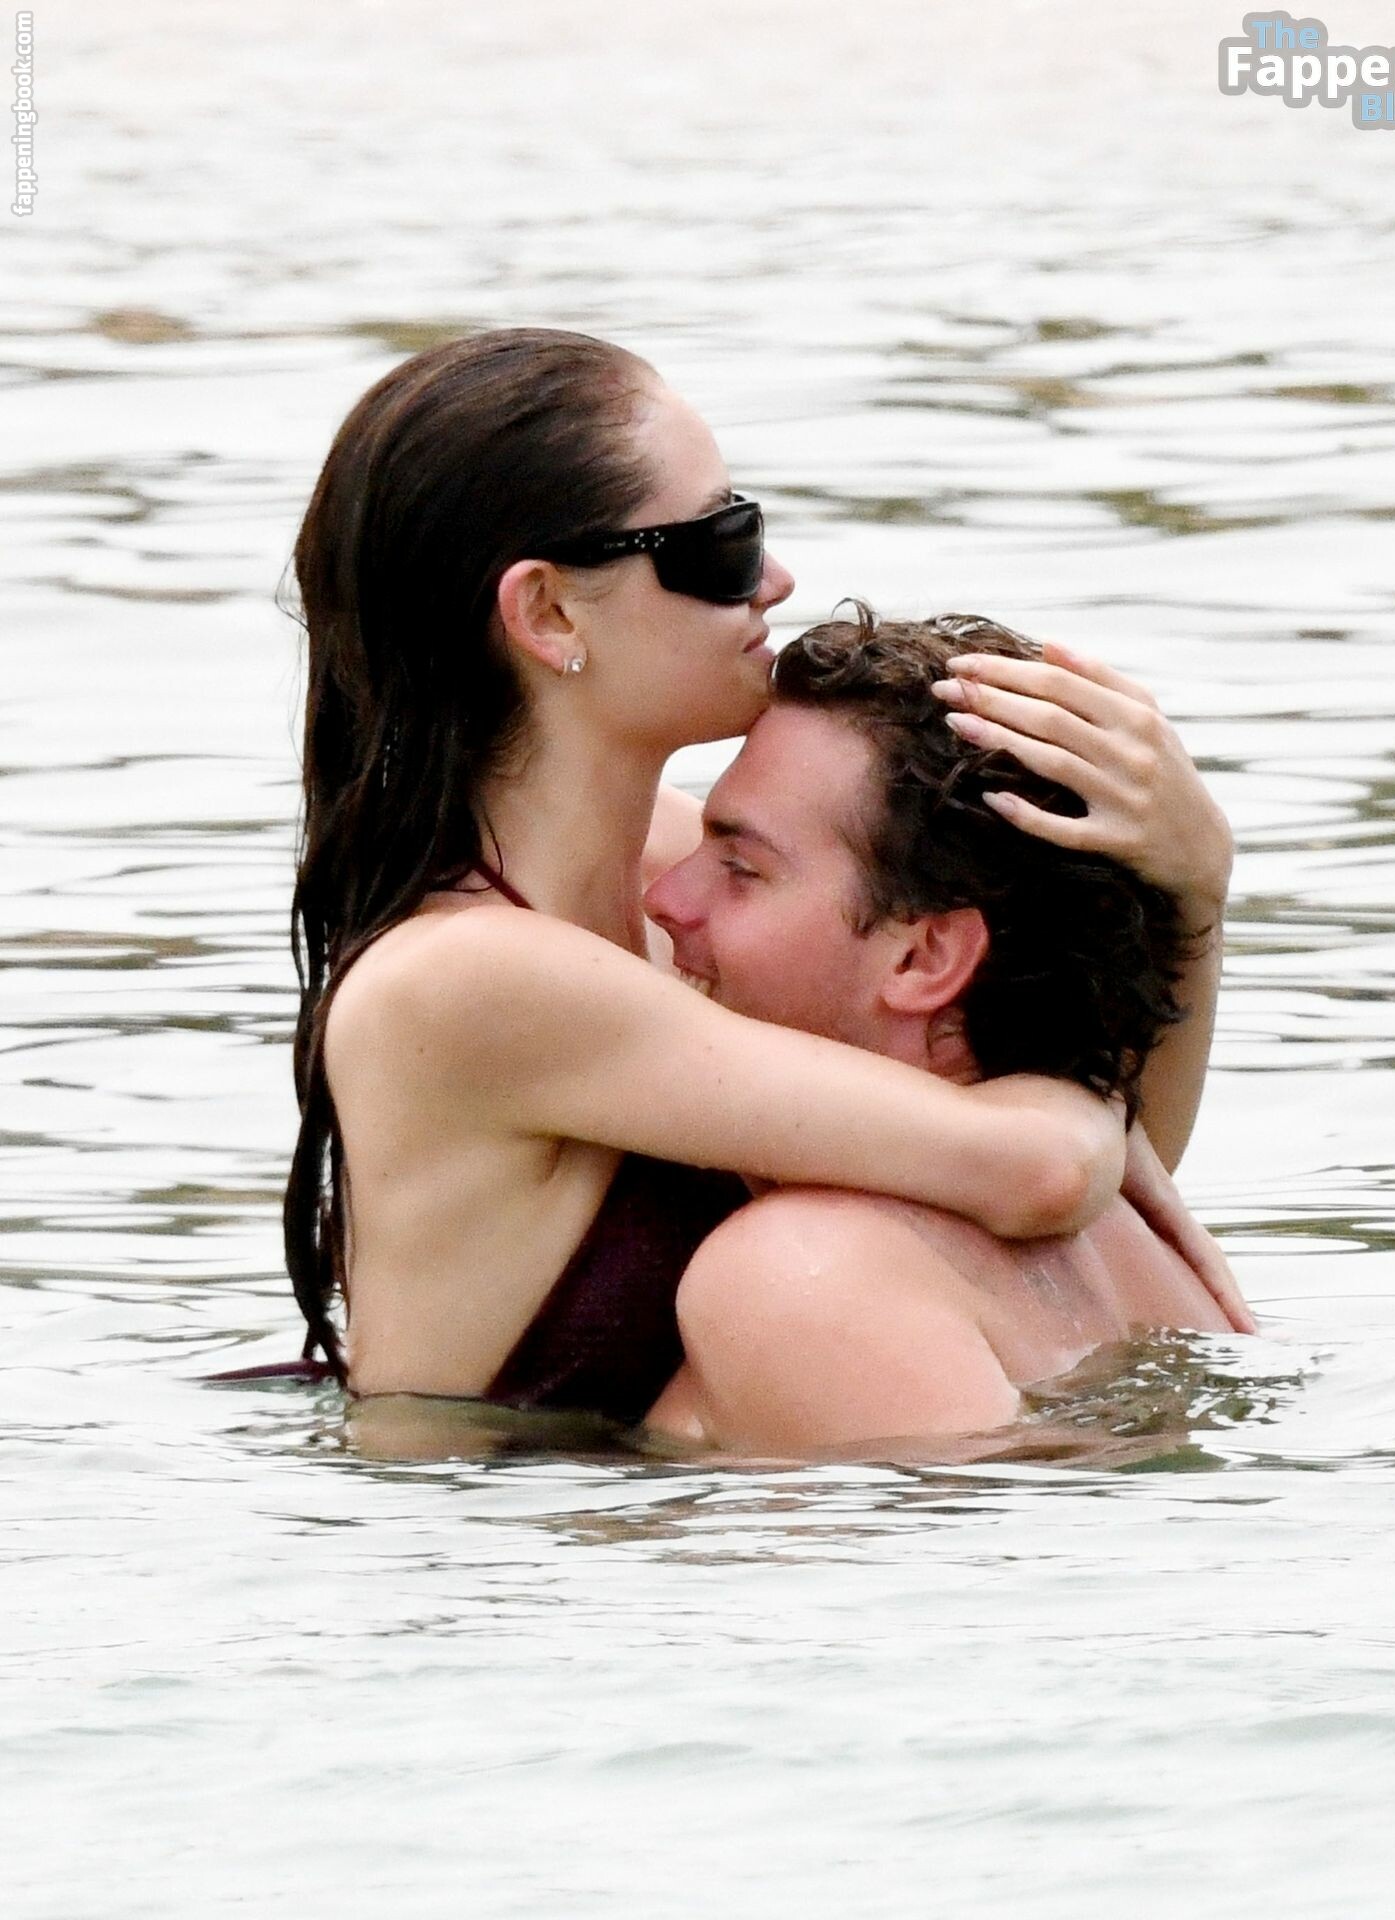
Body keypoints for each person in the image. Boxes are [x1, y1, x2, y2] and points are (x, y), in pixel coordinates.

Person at [281, 327, 1231, 1420]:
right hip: (500, 1530)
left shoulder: (686, 875)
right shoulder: (463, 979)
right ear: (548, 612)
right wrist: (1096, 1090)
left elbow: (1074, 1198)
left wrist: (1192, 888)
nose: (775, 581)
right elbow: (1038, 1168)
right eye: (721, 543)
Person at [641, 607, 1251, 1458]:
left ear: (925, 957)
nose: (662, 898)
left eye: (742, 869)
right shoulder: (1127, 1225)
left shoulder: (806, 1271)